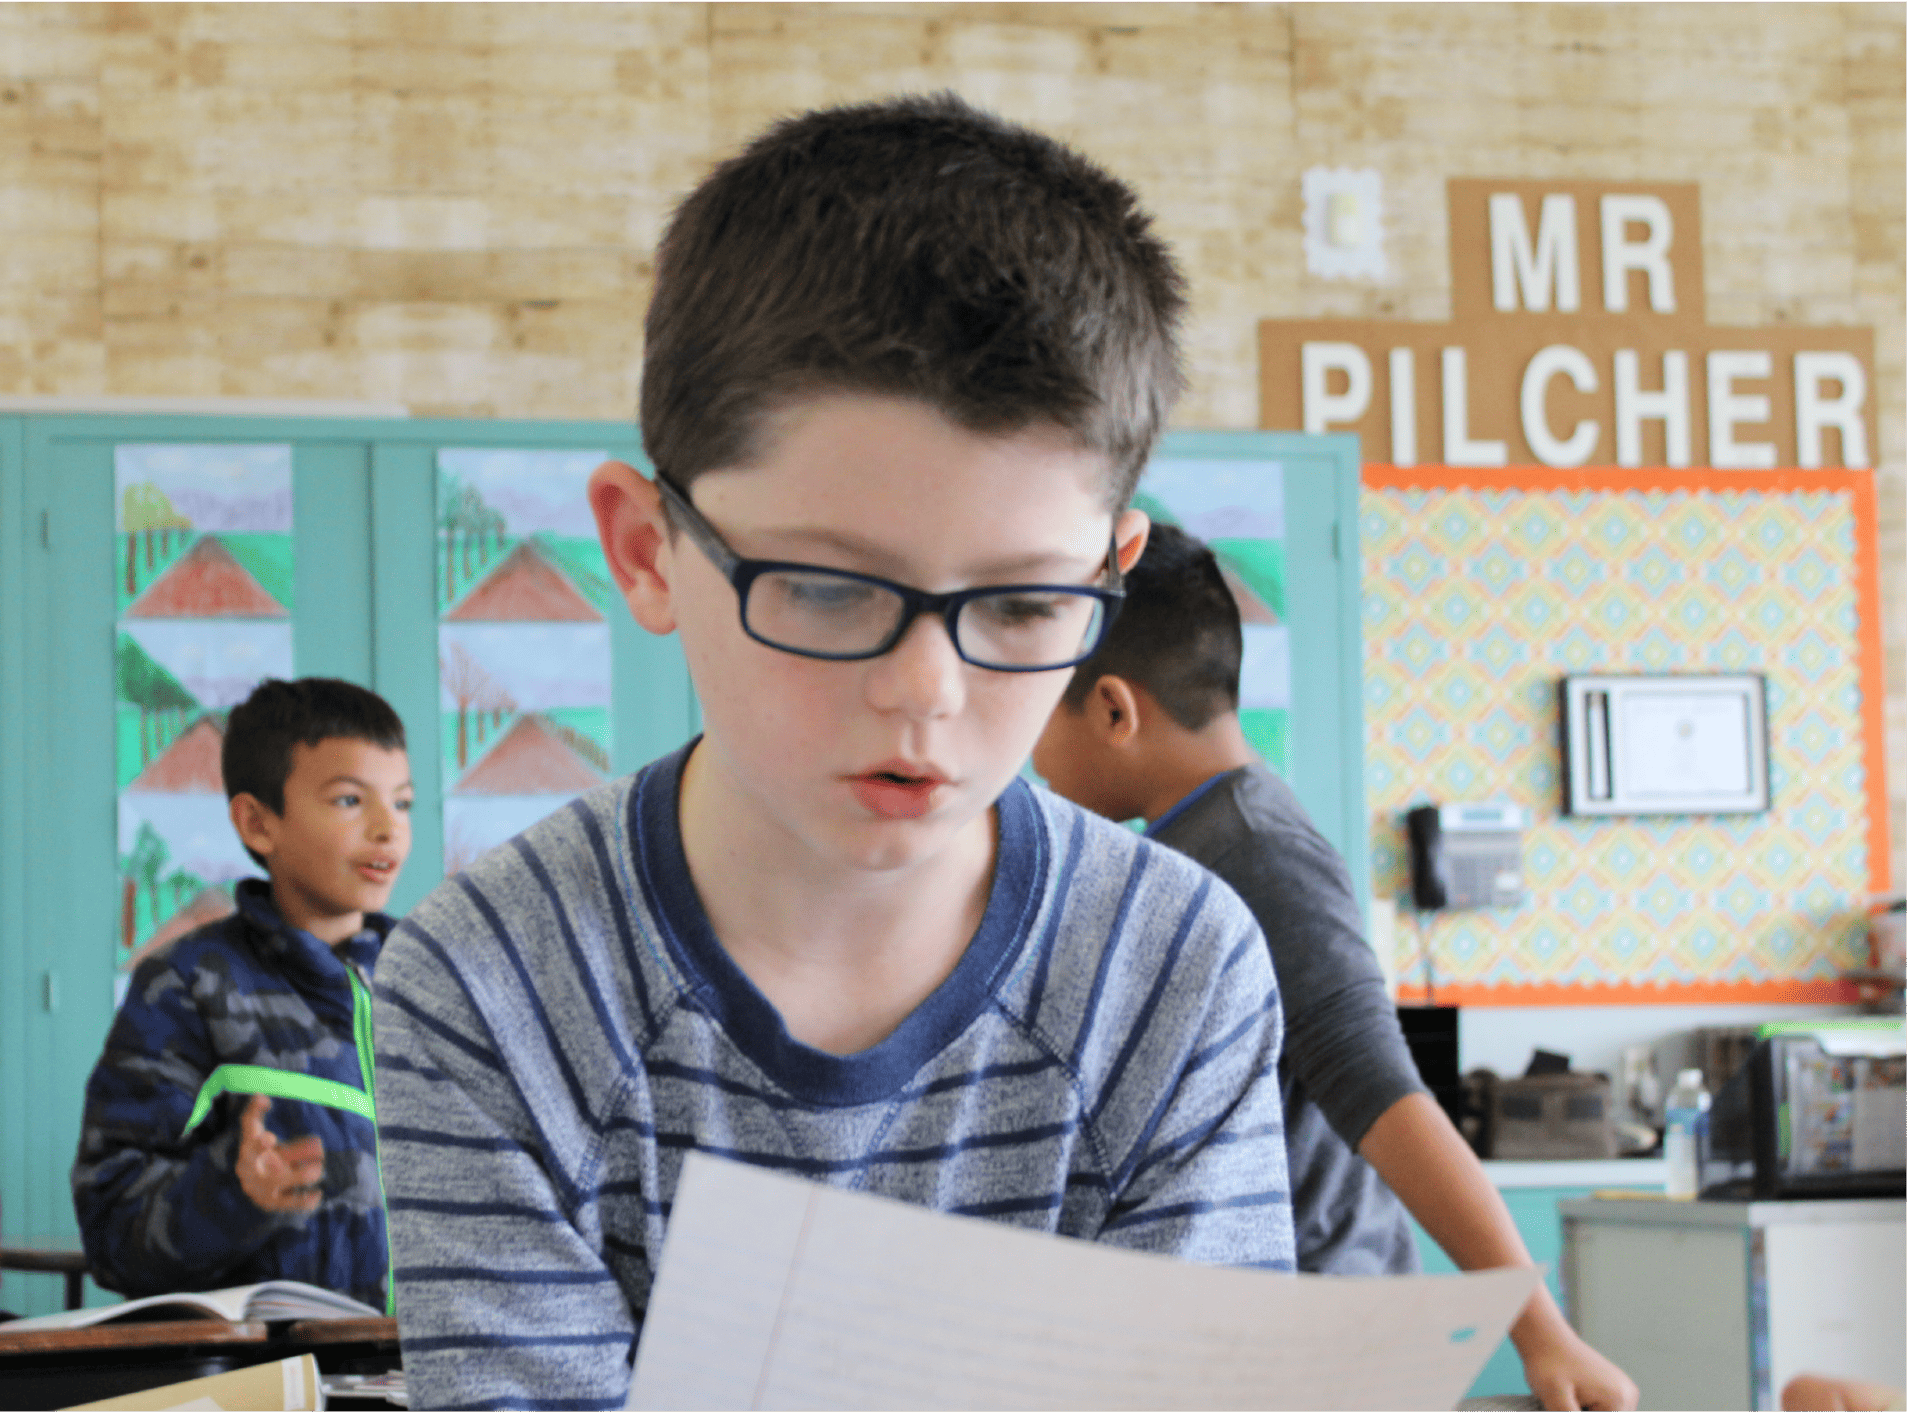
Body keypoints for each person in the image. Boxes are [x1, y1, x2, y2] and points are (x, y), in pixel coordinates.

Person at [374, 93, 1294, 1411]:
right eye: (822, 588)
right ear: (648, 551)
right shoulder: (493, 982)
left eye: (1027, 605)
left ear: (1110, 574)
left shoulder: (1172, 970)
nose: (925, 694)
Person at [1032, 522, 1641, 1412]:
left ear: (1116, 711)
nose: (1028, 754)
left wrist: (1539, 1332)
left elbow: (1383, 1094)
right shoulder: (1200, 835)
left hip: (1321, 1329)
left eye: (1040, 708)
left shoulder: (1253, 852)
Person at [72, 678, 412, 1309]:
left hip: (432, 1383)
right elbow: (110, 1228)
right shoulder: (189, 987)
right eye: (348, 800)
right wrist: (231, 1192)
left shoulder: (436, 988)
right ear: (258, 823)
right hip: (274, 1385)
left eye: (403, 802)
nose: (387, 829)